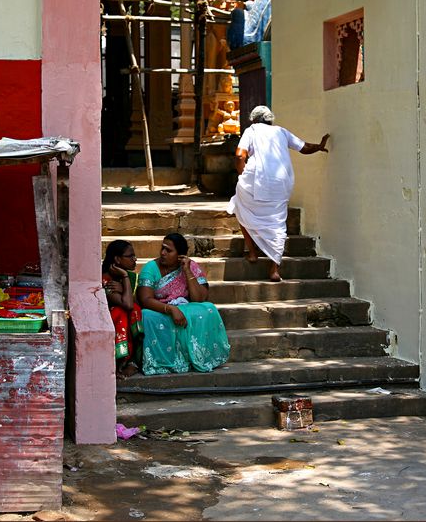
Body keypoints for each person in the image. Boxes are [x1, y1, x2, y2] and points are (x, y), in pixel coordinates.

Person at [227, 106, 329, 281]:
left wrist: (242, 174)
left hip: (255, 181)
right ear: (270, 119)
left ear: (253, 119)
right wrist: (319, 146)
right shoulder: (281, 132)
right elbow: (304, 147)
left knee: (241, 208)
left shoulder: (251, 131)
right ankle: (274, 269)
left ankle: (252, 253)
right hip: (280, 183)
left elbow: (239, 156)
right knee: (277, 223)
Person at [136, 233, 230, 375]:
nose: (163, 253)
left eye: (168, 250)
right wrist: (171, 309)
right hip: (161, 310)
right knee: (146, 315)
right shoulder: (151, 268)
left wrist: (187, 270)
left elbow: (200, 299)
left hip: (185, 308)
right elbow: (145, 299)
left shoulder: (190, 266)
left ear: (180, 255)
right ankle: (165, 361)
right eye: (162, 248)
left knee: (209, 309)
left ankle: (196, 357)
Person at [102, 240, 143, 380]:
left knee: (139, 312)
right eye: (130, 256)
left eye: (134, 255)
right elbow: (127, 304)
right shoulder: (106, 279)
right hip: (110, 319)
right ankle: (119, 361)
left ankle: (132, 361)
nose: (135, 259)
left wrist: (125, 286)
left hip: (128, 318)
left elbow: (136, 304)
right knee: (121, 313)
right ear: (117, 259)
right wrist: (125, 278)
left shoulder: (133, 278)